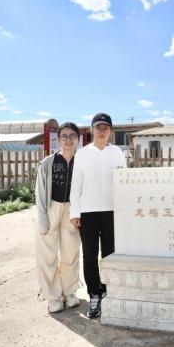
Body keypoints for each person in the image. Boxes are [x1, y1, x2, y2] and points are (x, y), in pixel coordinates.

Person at [69, 113, 126, 319]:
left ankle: (110, 291)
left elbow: (124, 181)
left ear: (110, 131)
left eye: (105, 128)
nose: (102, 131)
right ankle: (94, 294)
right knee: (90, 255)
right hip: (88, 213)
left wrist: (123, 210)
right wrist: (75, 212)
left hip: (112, 211)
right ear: (92, 130)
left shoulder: (117, 152)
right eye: (98, 127)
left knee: (110, 254)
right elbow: (76, 184)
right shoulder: (82, 153)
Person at [35, 122, 82, 313]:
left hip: (73, 210)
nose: (68, 140)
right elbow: (39, 191)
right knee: (48, 255)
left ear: (78, 139)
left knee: (71, 253)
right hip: (51, 207)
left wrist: (80, 212)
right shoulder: (48, 162)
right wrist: (42, 216)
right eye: (64, 136)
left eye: (72, 136)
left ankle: (70, 293)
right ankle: (53, 296)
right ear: (59, 139)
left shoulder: (82, 162)